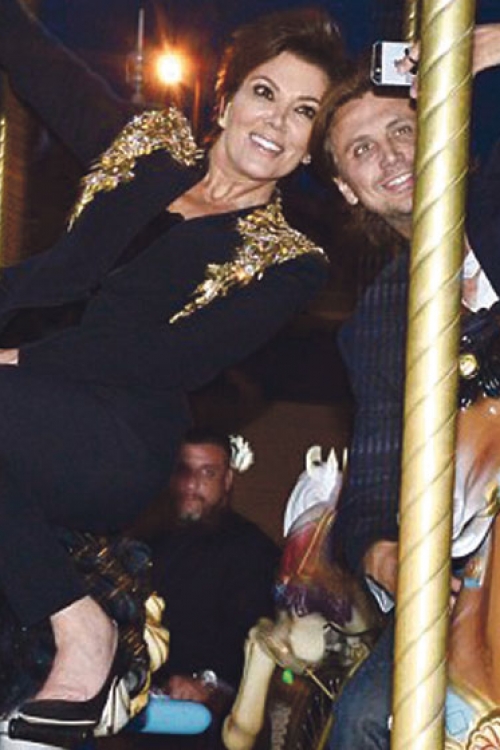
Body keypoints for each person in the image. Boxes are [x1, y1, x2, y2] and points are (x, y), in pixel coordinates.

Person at [0, 0, 345, 742]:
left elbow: (169, 359)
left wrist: (20, 359)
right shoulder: (145, 147)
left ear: (311, 147)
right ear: (226, 100)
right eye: (265, 92)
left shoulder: (289, 259)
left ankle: (83, 632)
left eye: (304, 113)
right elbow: (37, 63)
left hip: (115, 436)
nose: (277, 120)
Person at [308, 24, 500, 749]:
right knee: (363, 719)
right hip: (469, 564)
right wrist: (382, 552)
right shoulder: (376, 322)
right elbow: (372, 485)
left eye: (401, 130)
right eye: (361, 150)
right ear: (346, 188)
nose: (388, 155)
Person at [147, 429, 279, 723]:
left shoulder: (252, 549)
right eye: (184, 471)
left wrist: (210, 683)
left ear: (227, 480)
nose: (192, 484)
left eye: (208, 473)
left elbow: (255, 634)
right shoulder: (148, 543)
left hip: (216, 719)